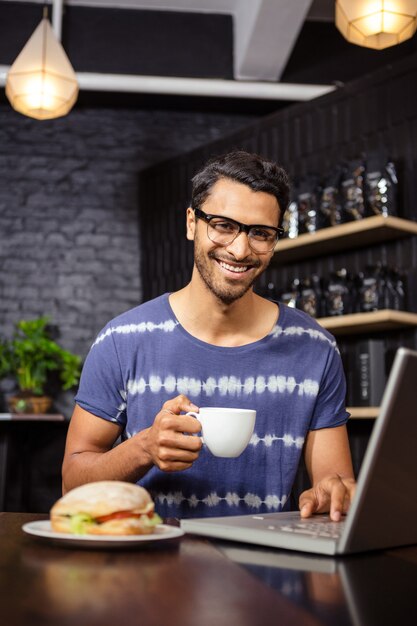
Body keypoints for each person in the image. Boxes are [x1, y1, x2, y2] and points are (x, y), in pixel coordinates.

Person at [62, 150, 356, 521]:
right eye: (223, 225)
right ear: (191, 223)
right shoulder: (122, 340)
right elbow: (72, 483)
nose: (240, 249)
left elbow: (335, 481)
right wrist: (144, 449)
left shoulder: (315, 347)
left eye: (261, 233)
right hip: (150, 568)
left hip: (268, 572)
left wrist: (335, 492)